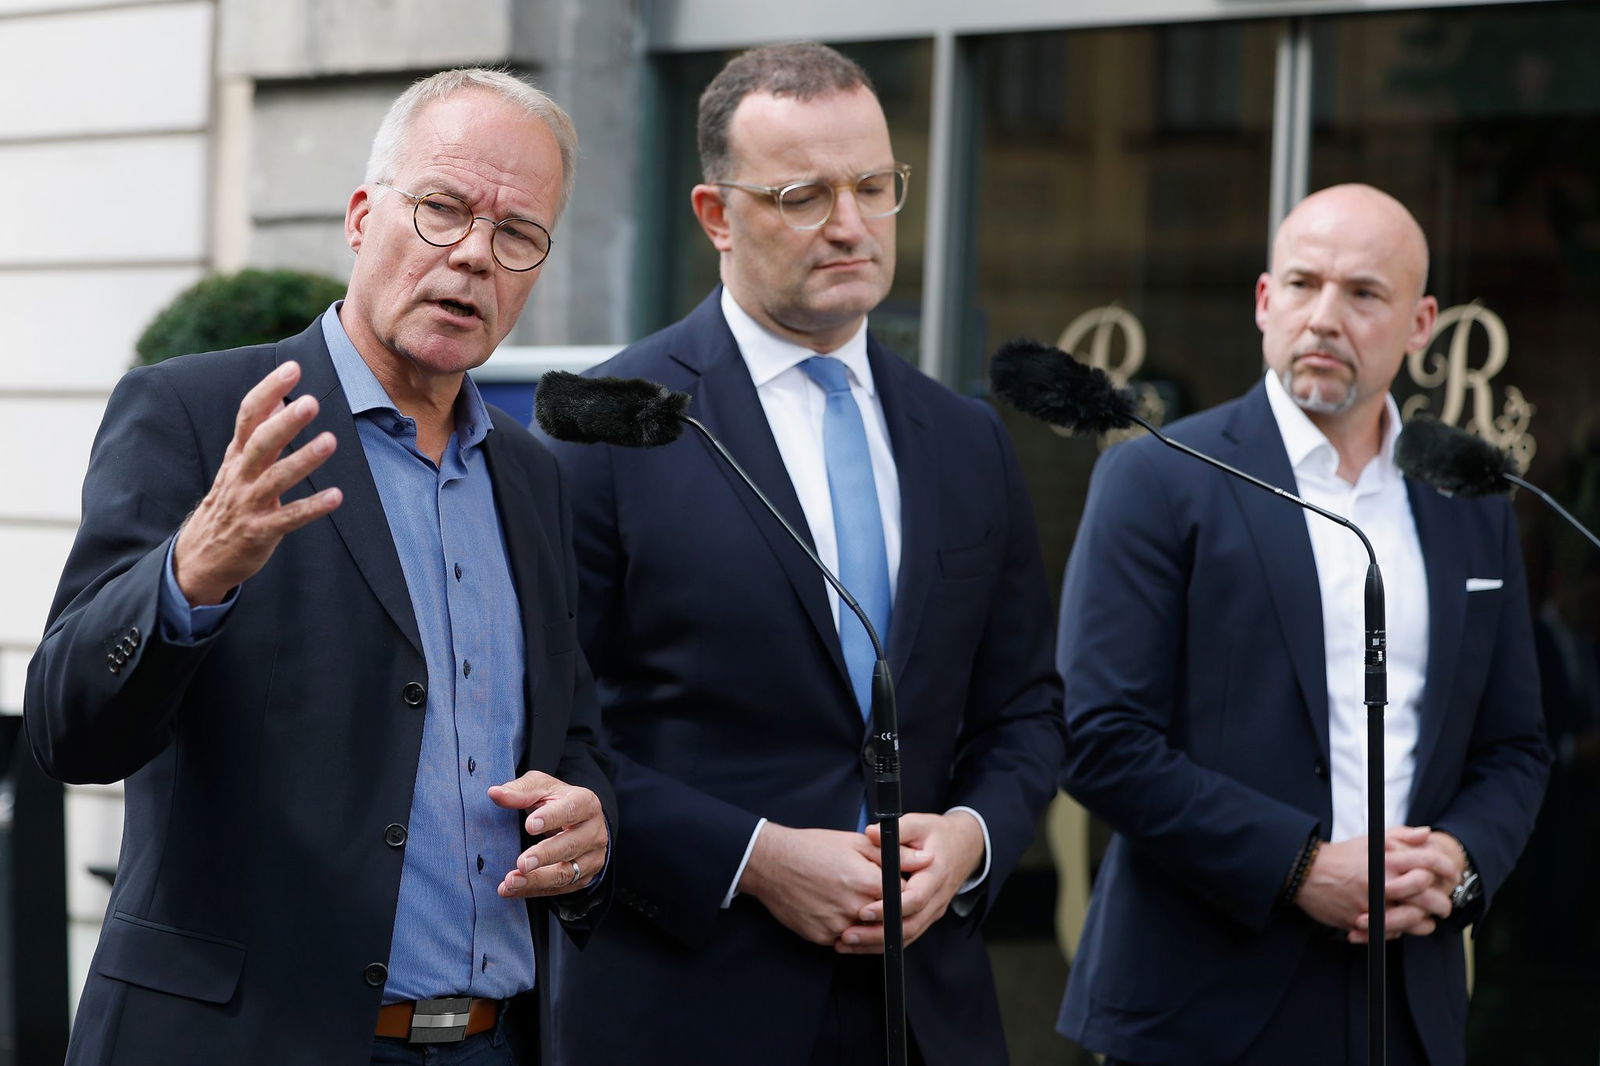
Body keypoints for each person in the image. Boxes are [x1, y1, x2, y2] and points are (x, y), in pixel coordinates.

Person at [25, 68, 614, 1066]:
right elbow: (65, 728)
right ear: (359, 216)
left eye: (517, 235)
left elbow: (575, 734)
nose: (474, 253)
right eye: (442, 209)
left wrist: (590, 820)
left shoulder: (530, 477)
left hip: (494, 1042)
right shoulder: (199, 414)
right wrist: (192, 570)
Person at [537, 42, 1064, 1066]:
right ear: (715, 216)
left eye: (874, 187)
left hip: (926, 1013)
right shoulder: (609, 424)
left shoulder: (965, 438)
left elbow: (1027, 712)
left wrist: (969, 840)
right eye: (803, 194)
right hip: (687, 1005)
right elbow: (554, 733)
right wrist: (755, 859)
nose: (851, 225)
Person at [1055, 183, 1551, 1066]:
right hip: (1199, 1005)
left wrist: (1460, 861)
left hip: (1407, 1001)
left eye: (1363, 293)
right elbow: (1100, 738)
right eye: (1301, 284)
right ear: (1262, 302)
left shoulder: (1470, 502)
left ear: (1422, 323)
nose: (1324, 317)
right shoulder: (1160, 479)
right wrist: (1297, 866)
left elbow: (1514, 745)